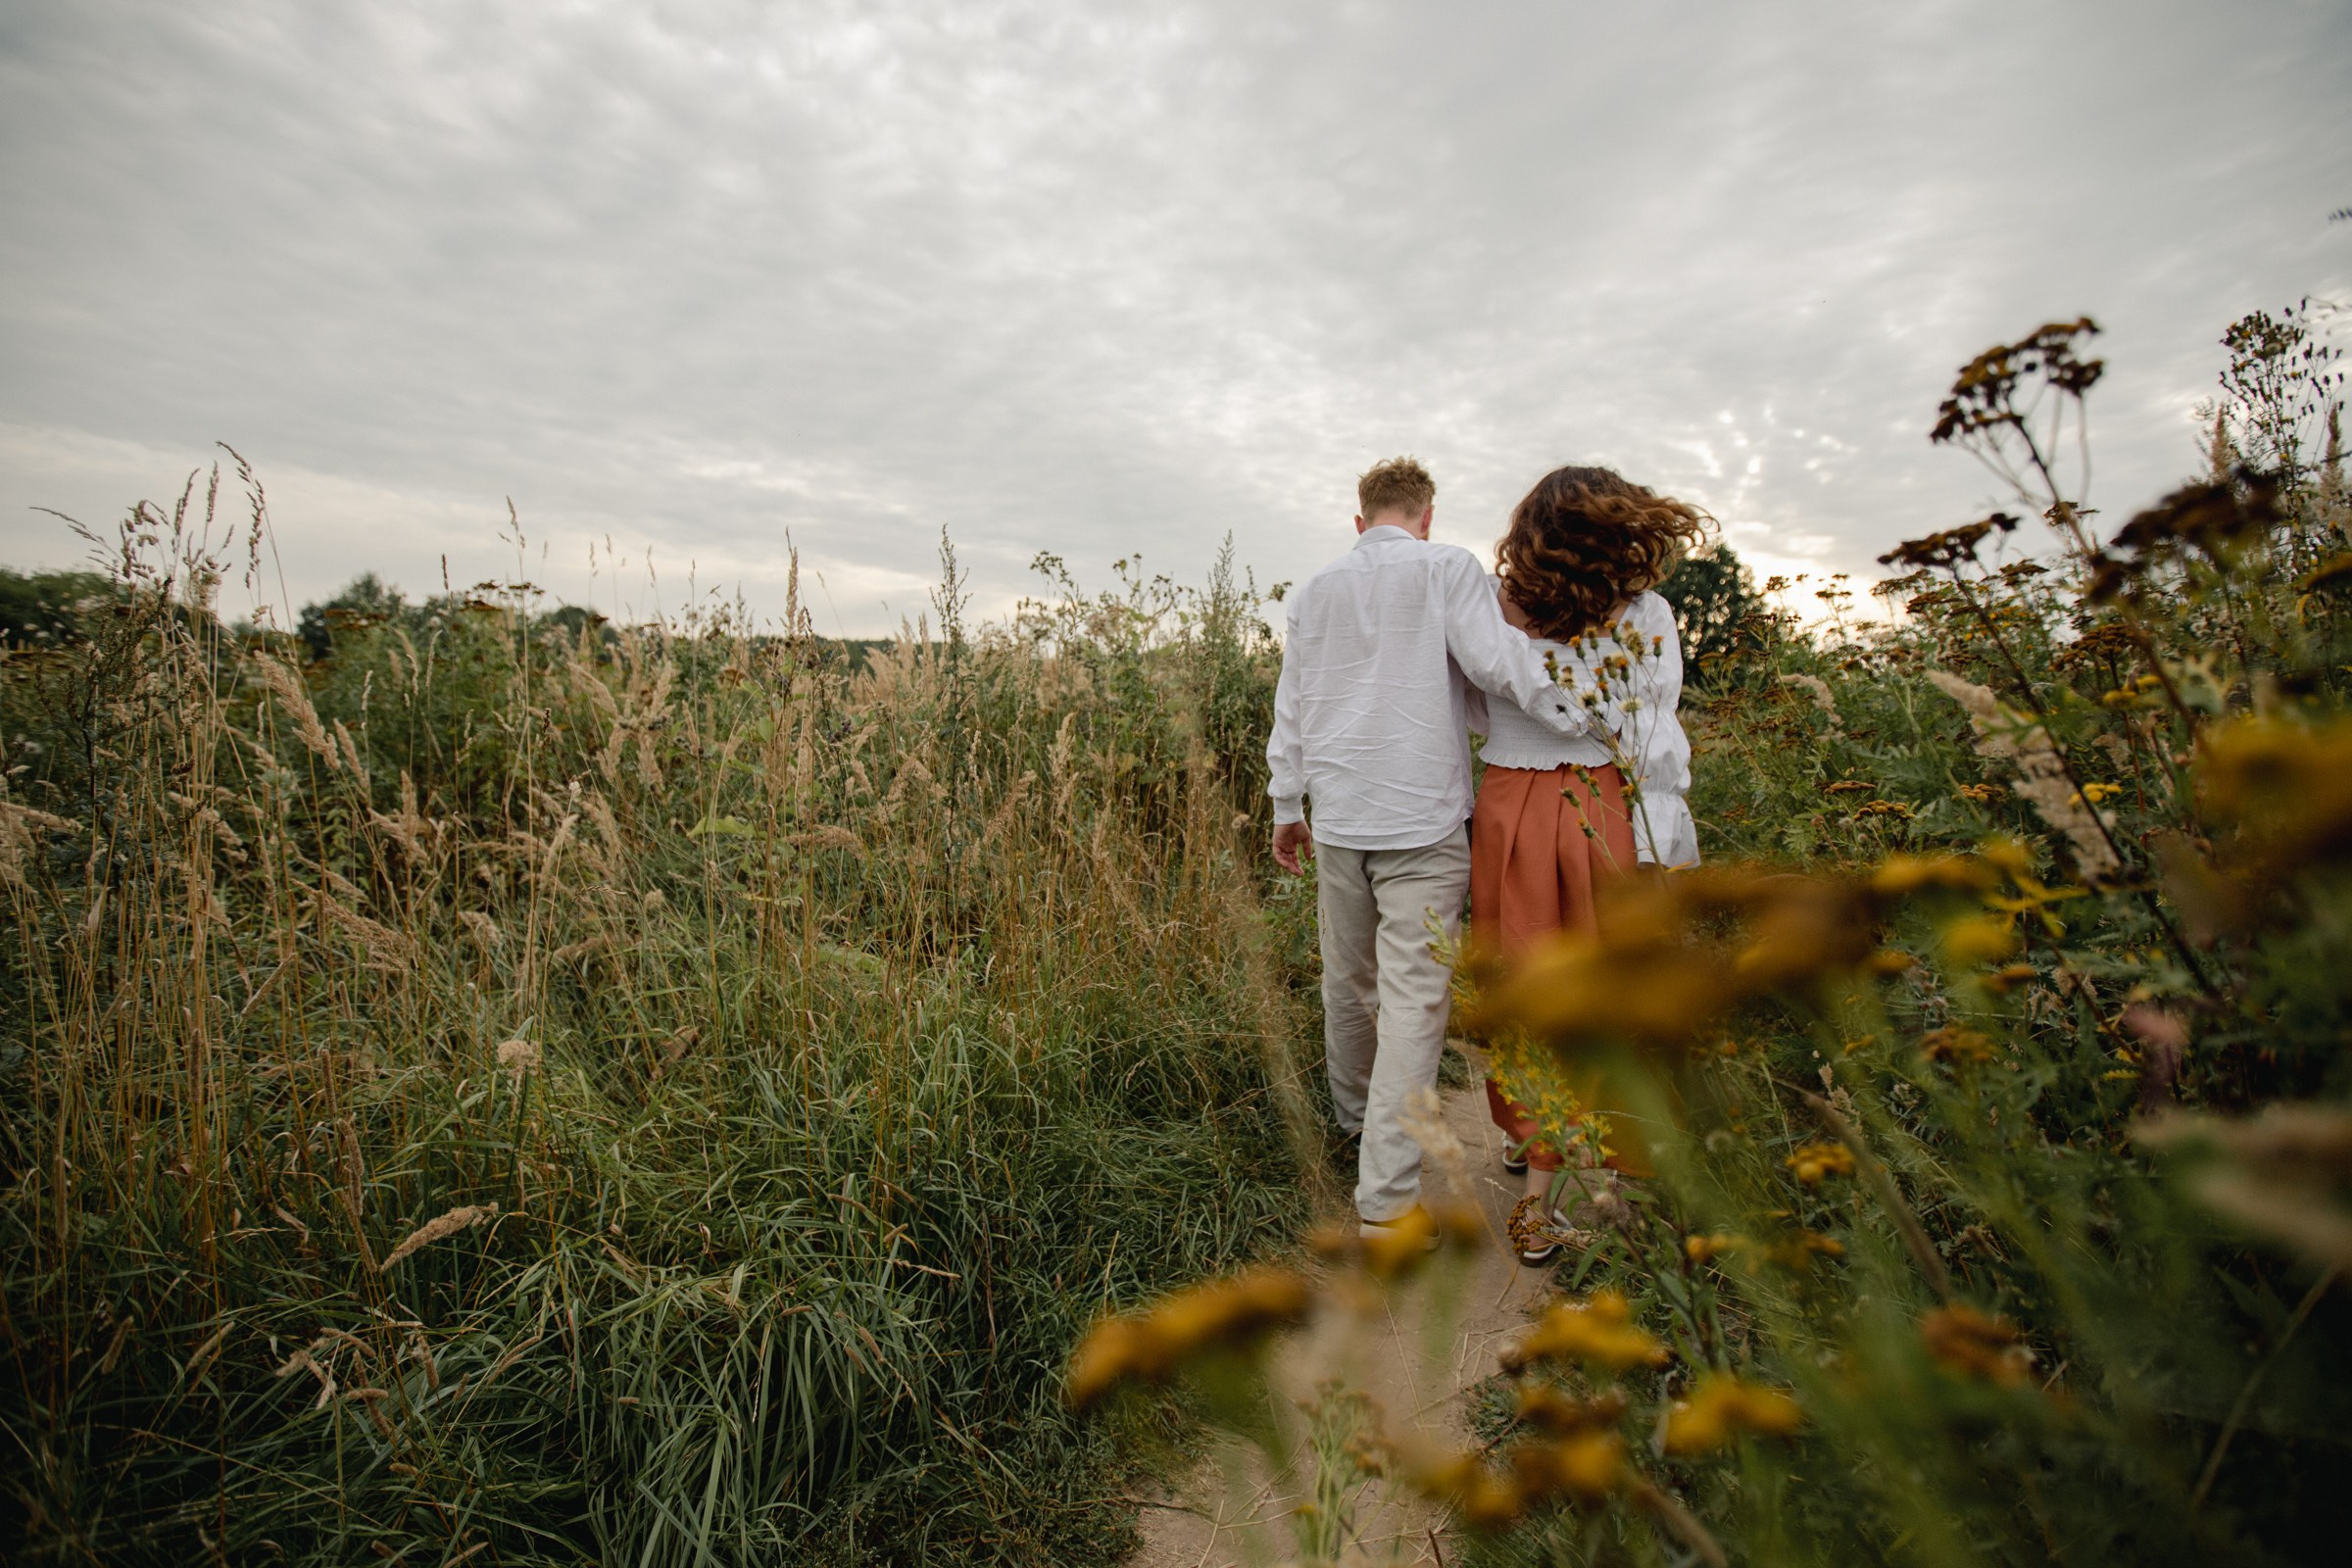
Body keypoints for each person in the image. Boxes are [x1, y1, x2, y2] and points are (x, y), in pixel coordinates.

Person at [1266, 457, 1602, 1240]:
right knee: (1415, 1005)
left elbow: (1294, 708)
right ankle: (1384, 1202)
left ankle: (1356, 1126)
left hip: (1341, 817)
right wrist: (1583, 712)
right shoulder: (1448, 569)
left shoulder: (1313, 592)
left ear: (1360, 523)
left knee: (1348, 986)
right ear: (1426, 516)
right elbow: (1496, 664)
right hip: (1422, 823)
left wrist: (1288, 804)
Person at [1466, 464, 1705, 1265]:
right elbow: (1649, 717)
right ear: (1621, 527)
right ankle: (1576, 1170)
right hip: (1600, 805)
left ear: (1529, 532)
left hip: (1510, 809)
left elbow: (1468, 704)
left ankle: (1527, 1146)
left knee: (1528, 979)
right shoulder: (1647, 615)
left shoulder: (1493, 613)